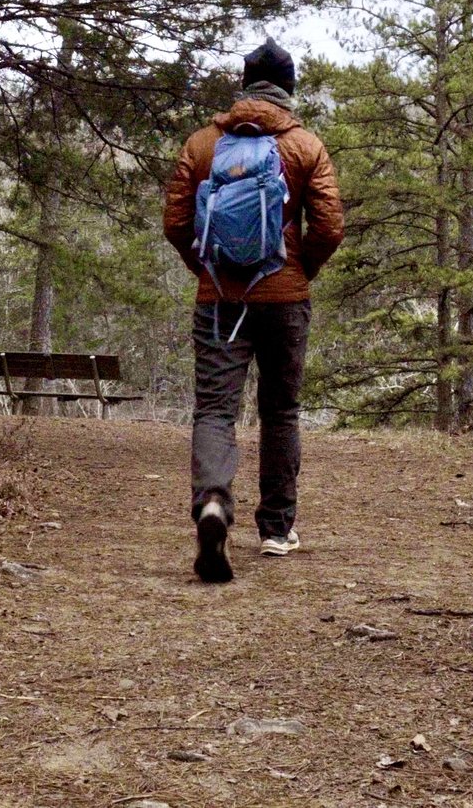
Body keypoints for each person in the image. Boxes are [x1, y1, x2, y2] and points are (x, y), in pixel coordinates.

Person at [161, 38, 344, 582]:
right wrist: (298, 271)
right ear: (288, 89)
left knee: (216, 410)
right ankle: (276, 529)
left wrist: (207, 272)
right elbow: (330, 227)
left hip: (220, 299)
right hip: (284, 298)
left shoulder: (201, 145)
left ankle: (214, 504)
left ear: (244, 86)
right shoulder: (306, 146)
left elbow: (175, 223)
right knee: (280, 412)